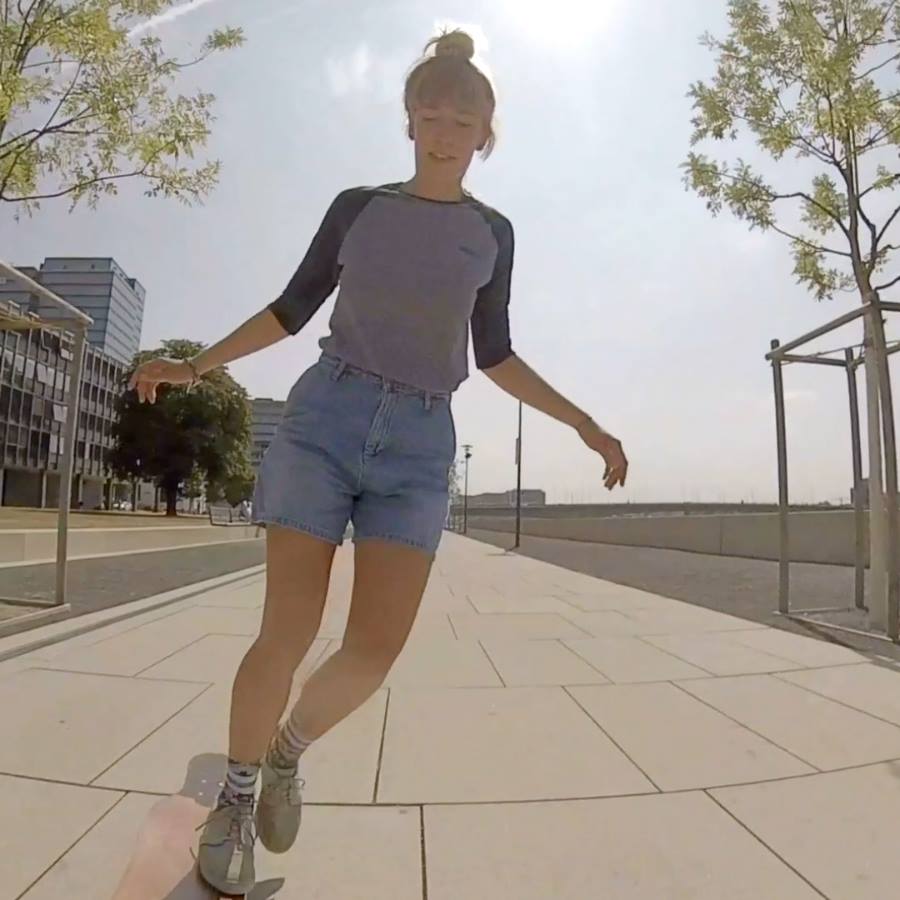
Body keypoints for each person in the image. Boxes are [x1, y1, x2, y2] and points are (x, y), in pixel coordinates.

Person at [129, 27, 628, 896]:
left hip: (421, 441)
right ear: (408, 122)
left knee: (373, 648)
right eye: (429, 113)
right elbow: (290, 309)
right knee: (284, 633)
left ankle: (286, 755)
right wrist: (194, 365)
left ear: (486, 133)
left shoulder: (493, 233)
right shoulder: (358, 206)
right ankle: (236, 799)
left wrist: (584, 422)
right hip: (327, 417)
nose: (443, 130)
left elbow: (497, 353)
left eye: (461, 117)